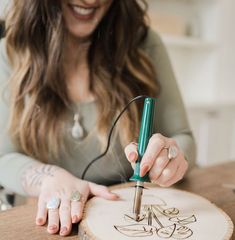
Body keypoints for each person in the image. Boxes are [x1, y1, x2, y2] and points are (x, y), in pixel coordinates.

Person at [0, 0, 196, 237]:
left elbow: (183, 138)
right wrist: (49, 178)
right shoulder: (10, 51)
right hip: (54, 223)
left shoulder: (144, 44)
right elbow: (3, 157)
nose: (91, 1)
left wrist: (173, 158)